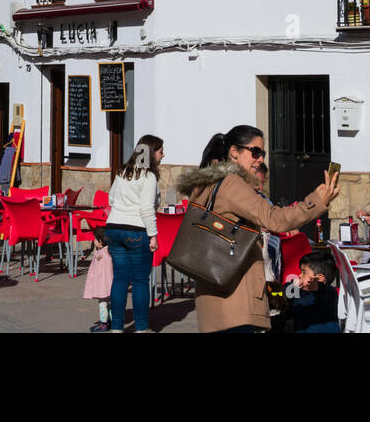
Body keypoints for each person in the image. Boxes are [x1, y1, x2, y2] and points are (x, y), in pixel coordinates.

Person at [176, 125, 339, 333]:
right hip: (233, 301)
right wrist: (317, 200)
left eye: (261, 153)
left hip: (214, 293)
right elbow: (274, 218)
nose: (260, 159)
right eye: (255, 152)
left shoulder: (209, 182)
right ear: (234, 153)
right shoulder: (231, 184)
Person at [102, 135, 164, 333]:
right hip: (136, 231)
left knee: (120, 279)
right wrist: (153, 236)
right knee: (139, 281)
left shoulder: (123, 171)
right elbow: (146, 208)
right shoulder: (148, 176)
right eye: (160, 151)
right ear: (151, 152)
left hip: (114, 228)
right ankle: (141, 327)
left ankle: (117, 327)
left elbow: (111, 199)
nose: (163, 155)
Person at [289, 250, 341, 333]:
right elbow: (286, 295)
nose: (299, 275)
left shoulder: (330, 292)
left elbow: (322, 291)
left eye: (304, 272)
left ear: (319, 278)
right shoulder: (300, 292)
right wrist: (293, 286)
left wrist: (317, 284)